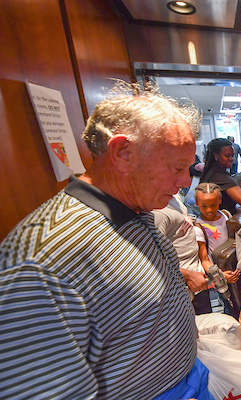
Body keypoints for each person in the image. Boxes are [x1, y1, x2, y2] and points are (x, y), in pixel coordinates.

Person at [0, 83, 213, 399]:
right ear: (123, 153)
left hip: (188, 380)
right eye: (177, 168)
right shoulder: (41, 261)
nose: (185, 181)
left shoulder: (135, 208)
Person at [153, 194, 213, 315]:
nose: (186, 181)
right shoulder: (156, 213)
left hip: (197, 275)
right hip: (182, 284)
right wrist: (187, 276)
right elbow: (153, 261)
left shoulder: (174, 196)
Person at [194, 182, 240, 314]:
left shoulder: (226, 215)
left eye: (213, 205)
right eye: (204, 206)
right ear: (197, 203)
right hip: (221, 277)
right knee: (230, 308)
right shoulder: (199, 228)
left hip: (235, 268)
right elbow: (204, 260)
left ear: (220, 200)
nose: (209, 210)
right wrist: (221, 276)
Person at [200, 138, 241, 215]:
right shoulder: (219, 176)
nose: (231, 159)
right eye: (227, 156)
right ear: (216, 155)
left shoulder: (211, 172)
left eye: (232, 155)